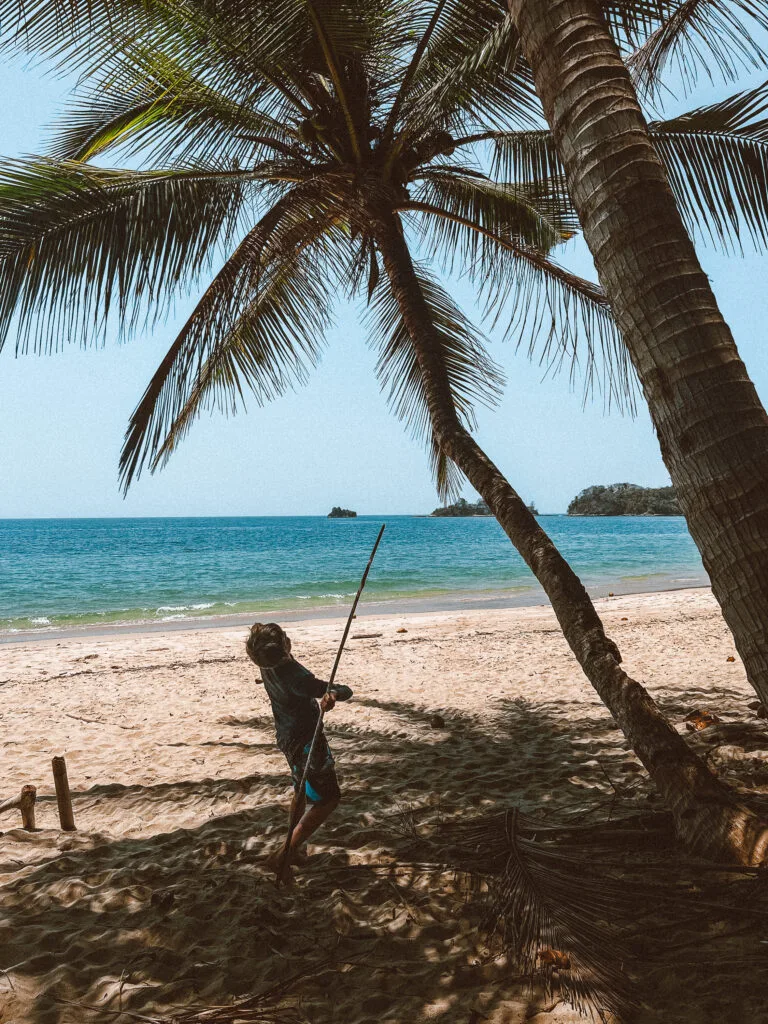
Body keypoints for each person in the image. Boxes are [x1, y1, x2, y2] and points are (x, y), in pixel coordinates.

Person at [245, 621, 352, 884]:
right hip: (307, 742)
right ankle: (285, 854)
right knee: (329, 799)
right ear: (284, 647)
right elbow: (344, 690)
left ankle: (292, 849)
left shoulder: (266, 665)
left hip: (286, 737)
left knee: (300, 789)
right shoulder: (294, 675)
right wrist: (334, 695)